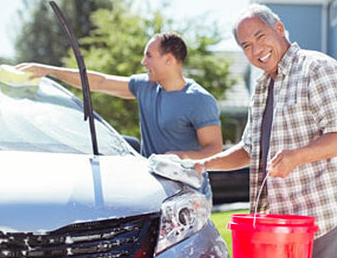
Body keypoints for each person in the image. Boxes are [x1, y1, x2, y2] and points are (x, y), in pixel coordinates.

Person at [191, 4, 337, 258]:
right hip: (284, 225)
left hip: (328, 214)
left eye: (261, 36)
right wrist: (204, 164)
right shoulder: (264, 88)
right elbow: (250, 150)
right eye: (246, 45)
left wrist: (296, 157)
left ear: (279, 28)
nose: (256, 49)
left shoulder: (317, 68)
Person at [15, 32, 222, 161]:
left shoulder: (199, 100)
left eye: (149, 55)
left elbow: (214, 149)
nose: (143, 62)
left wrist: (181, 157)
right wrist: (48, 70)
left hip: (191, 195)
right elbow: (100, 82)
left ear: (169, 59)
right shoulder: (145, 86)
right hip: (156, 190)